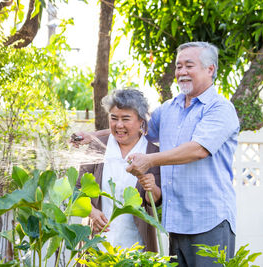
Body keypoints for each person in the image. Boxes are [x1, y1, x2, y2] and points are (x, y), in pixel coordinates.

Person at [74, 42, 240, 266]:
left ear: (210, 69)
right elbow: (136, 126)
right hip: (176, 222)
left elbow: (199, 149)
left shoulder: (220, 108)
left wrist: (148, 160)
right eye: (178, 66)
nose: (181, 72)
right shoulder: (169, 108)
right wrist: (93, 136)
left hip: (208, 220)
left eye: (188, 65)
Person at [75, 89, 162, 252]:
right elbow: (77, 190)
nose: (119, 125)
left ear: (141, 121)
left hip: (135, 248)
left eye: (126, 119)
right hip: (96, 245)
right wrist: (91, 211)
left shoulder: (152, 153)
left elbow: (155, 201)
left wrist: (152, 187)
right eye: (114, 118)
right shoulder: (98, 146)